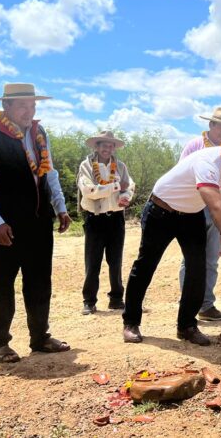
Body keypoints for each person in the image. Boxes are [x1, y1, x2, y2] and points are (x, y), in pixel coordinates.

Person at [121, 127, 221, 346]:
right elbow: (215, 206)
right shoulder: (209, 161)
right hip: (161, 210)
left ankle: (186, 326)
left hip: (190, 215)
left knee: (198, 269)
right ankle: (131, 322)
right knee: (146, 265)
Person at [0, 83, 73, 364]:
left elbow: (48, 172)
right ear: (6, 106)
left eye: (33, 105)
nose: (30, 111)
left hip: (39, 219)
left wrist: (60, 206)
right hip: (8, 222)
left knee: (40, 280)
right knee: (3, 282)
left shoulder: (39, 133)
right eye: (23, 106)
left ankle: (40, 337)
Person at [178, 107, 221, 322]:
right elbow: (182, 174)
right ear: (211, 125)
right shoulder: (195, 146)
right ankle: (189, 304)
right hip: (194, 206)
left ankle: (206, 305)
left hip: (219, 207)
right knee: (192, 258)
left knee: (212, 257)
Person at [77, 131, 135, 315]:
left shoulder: (120, 166)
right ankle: (89, 301)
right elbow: (90, 191)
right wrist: (117, 187)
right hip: (95, 218)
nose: (107, 149)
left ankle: (116, 299)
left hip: (116, 218)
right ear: (97, 146)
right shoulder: (86, 166)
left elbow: (130, 186)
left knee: (115, 260)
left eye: (111, 146)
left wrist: (125, 196)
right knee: (92, 261)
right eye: (104, 145)